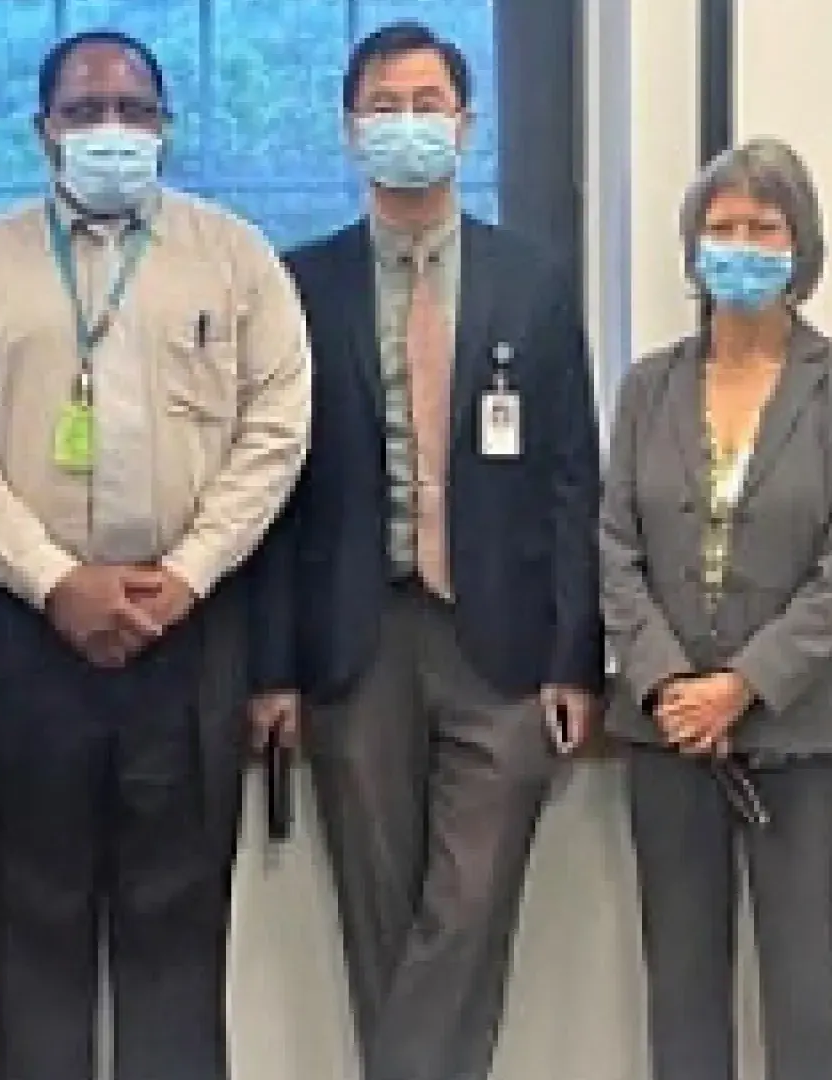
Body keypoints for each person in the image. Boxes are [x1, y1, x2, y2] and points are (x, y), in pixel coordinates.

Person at [0, 30, 311, 1080]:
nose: (112, 132)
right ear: (43, 129)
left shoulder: (236, 258)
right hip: (32, 634)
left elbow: (277, 428)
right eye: (86, 112)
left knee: (177, 931)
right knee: (31, 925)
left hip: (191, 628)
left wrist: (186, 575)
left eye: (134, 111)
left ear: (167, 125)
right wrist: (56, 581)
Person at [246, 22, 601, 1080]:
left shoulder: (531, 279)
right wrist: (270, 668)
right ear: (352, 131)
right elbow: (273, 490)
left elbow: (572, 476)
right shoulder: (298, 284)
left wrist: (576, 656)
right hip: (353, 639)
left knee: (470, 906)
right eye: (385, 106)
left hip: (501, 640)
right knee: (377, 912)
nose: (408, 124)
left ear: (467, 123)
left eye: (427, 102)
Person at [599, 138, 832, 1080]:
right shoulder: (648, 385)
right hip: (667, 734)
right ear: (693, 246)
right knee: (681, 998)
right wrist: (673, 687)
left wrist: (743, 686)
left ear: (801, 245)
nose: (743, 244)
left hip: (805, 734)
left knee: (807, 1007)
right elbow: (614, 549)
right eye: (723, 227)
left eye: (764, 227)